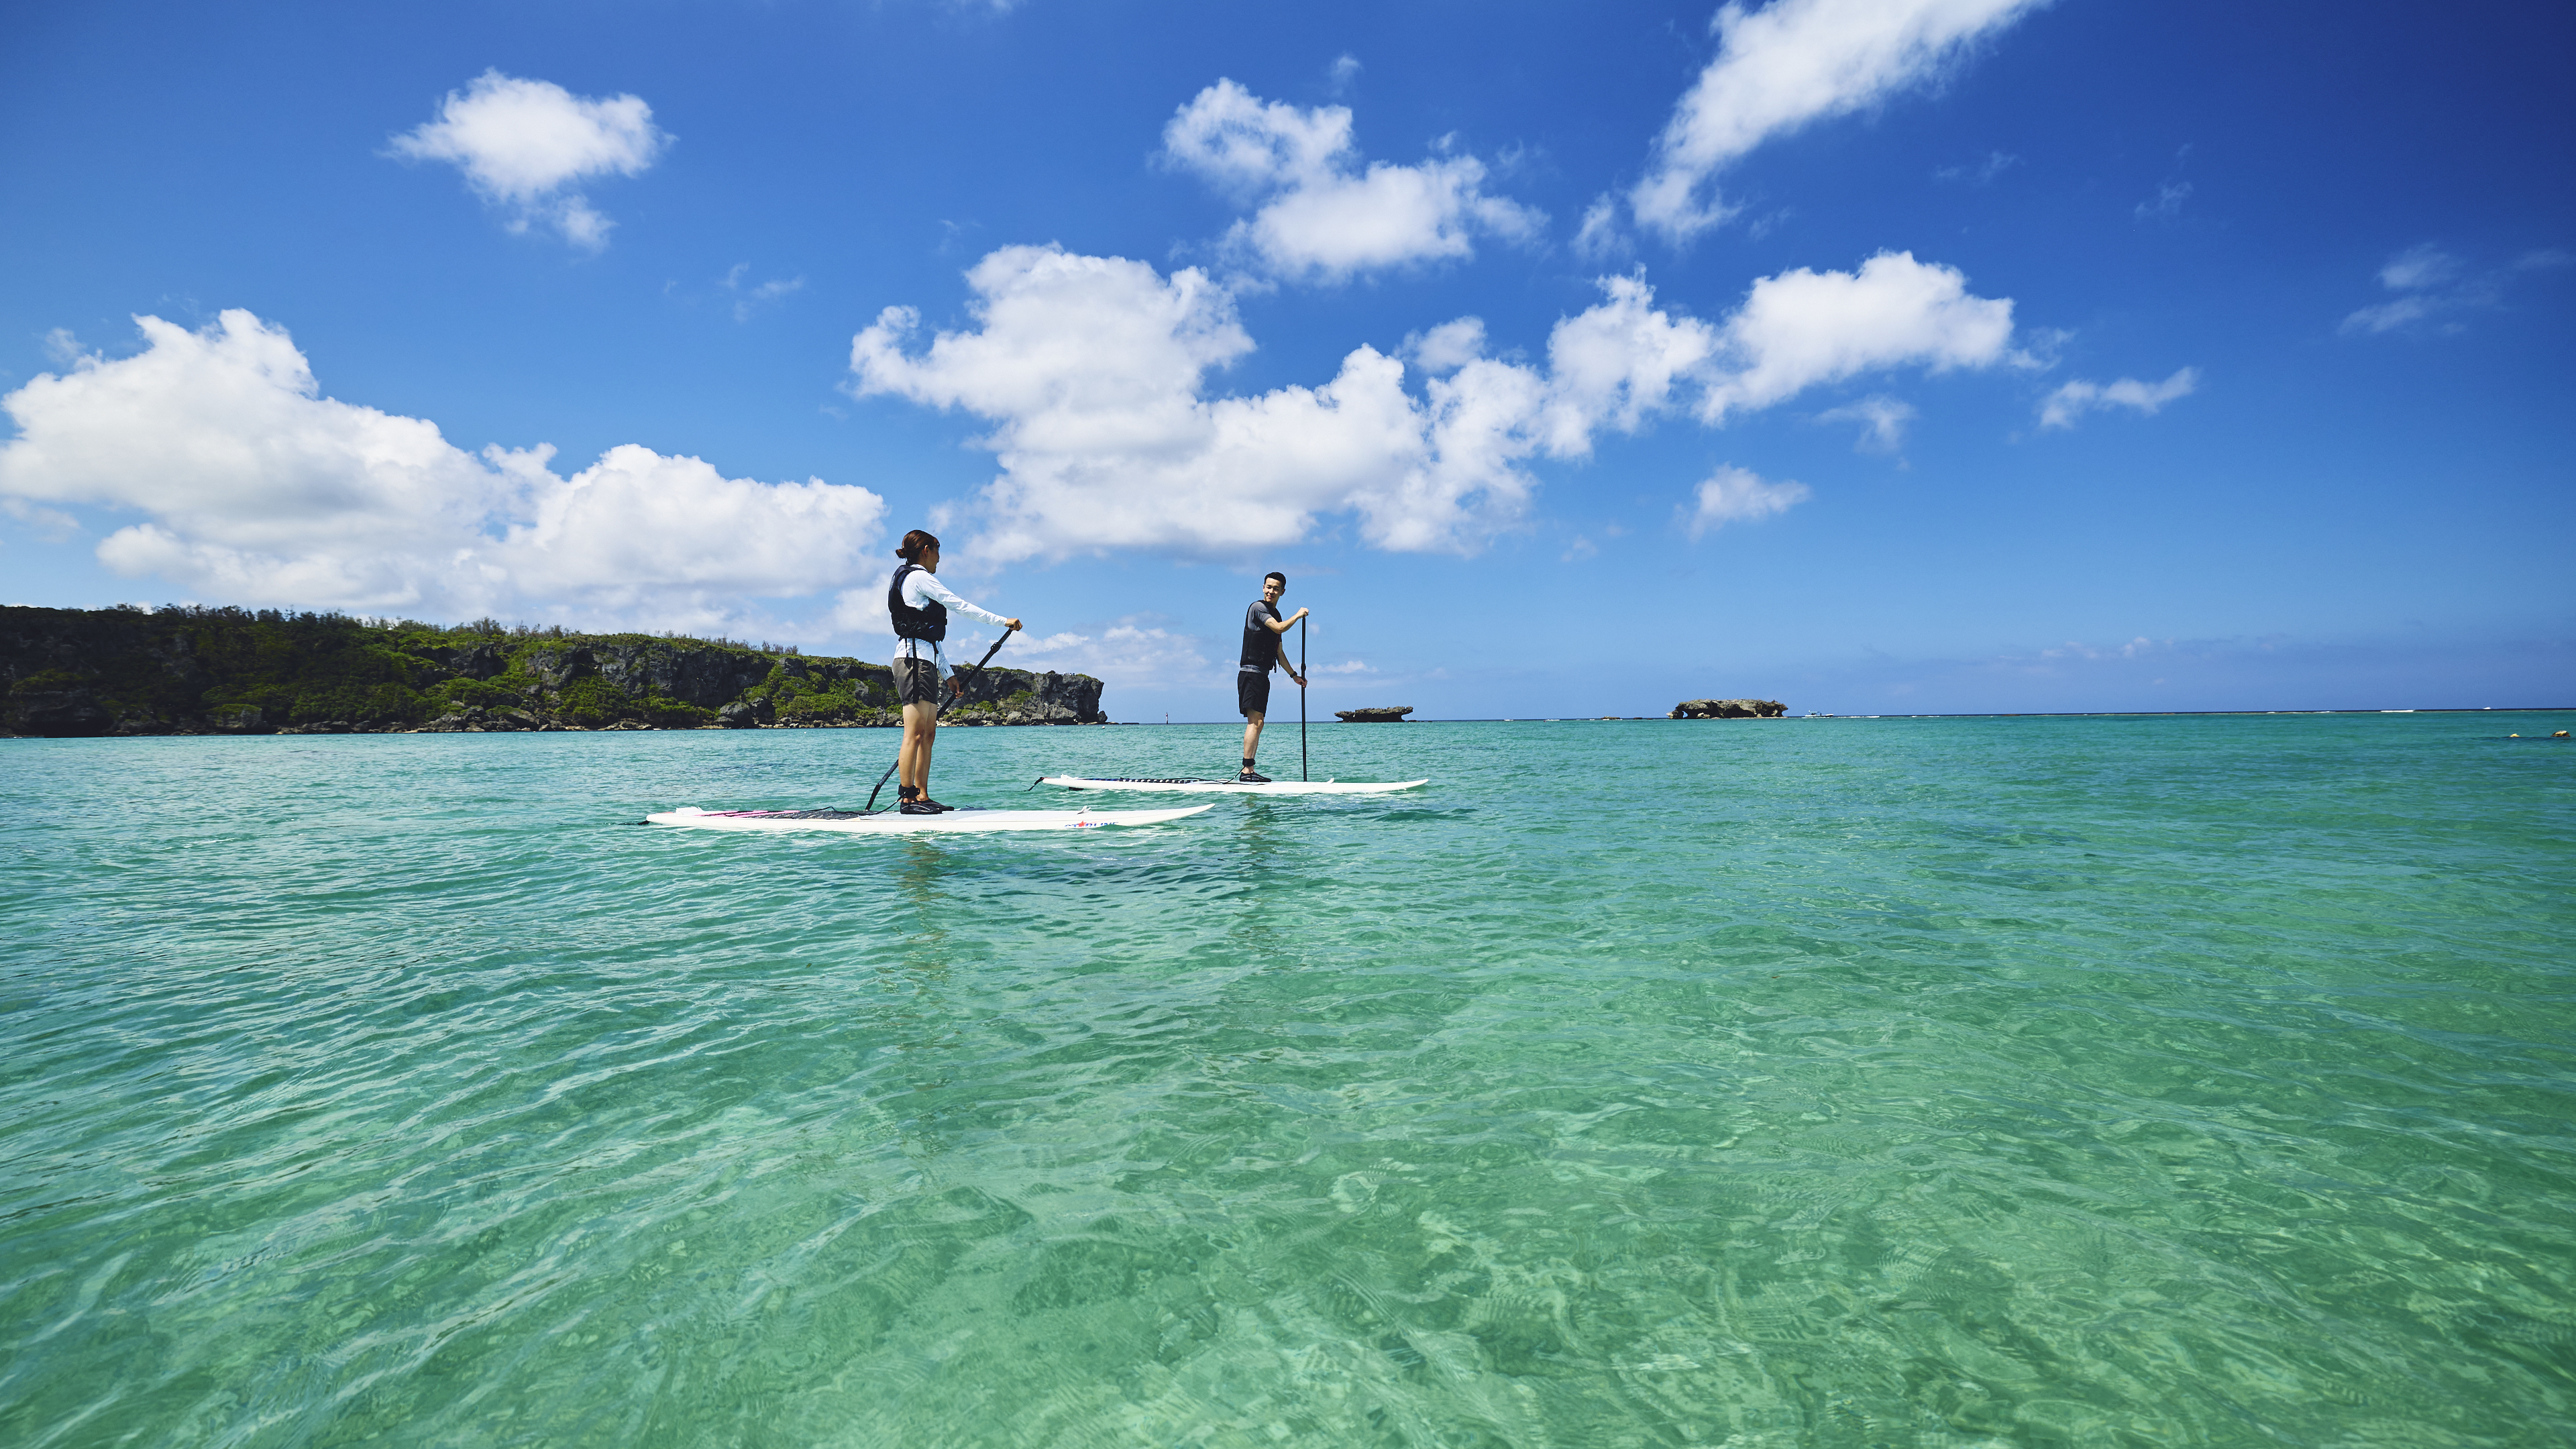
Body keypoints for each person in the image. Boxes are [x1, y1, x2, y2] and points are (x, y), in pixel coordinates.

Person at [888, 529, 1020, 814]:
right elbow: (960, 605)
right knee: (914, 733)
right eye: (938, 551)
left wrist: (947, 673)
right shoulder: (919, 577)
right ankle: (907, 799)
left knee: (929, 733)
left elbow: (928, 637)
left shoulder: (917, 579)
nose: (939, 558)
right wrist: (1003, 621)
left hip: (925, 660)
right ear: (926, 550)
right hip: (912, 662)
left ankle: (922, 795)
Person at [1236, 570, 1308, 782]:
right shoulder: (1257, 608)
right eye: (1268, 587)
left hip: (1262, 676)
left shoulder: (1276, 614)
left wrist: (1294, 675)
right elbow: (1279, 628)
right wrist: (1297, 615)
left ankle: (1249, 771)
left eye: (1276, 588)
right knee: (1255, 722)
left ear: (1282, 592)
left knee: (1259, 722)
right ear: (1263, 588)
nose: (1271, 591)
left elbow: (1279, 652)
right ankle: (1246, 771)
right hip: (1250, 673)